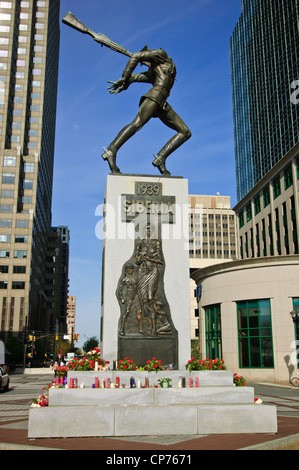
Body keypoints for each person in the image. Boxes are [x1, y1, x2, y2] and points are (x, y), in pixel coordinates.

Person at [102, 47, 191, 175]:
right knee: (137, 124)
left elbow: (137, 57)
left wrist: (128, 79)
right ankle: (112, 150)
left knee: (185, 132)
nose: (144, 64)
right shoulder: (153, 73)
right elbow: (134, 67)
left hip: (162, 104)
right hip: (154, 97)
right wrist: (125, 78)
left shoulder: (161, 54)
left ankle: (161, 158)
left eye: (144, 62)